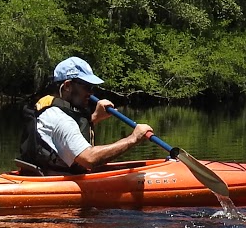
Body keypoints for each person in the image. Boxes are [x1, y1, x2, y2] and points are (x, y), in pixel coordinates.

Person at [17, 56, 155, 174]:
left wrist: (94, 118)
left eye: (93, 88)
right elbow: (89, 159)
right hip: (54, 183)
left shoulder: (50, 111)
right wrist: (133, 138)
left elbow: (62, 138)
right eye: (87, 87)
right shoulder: (61, 119)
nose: (91, 93)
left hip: (45, 175)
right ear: (67, 86)